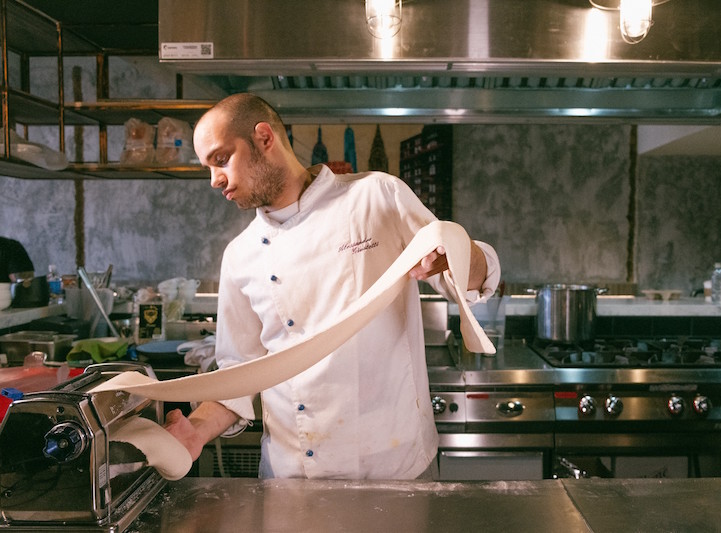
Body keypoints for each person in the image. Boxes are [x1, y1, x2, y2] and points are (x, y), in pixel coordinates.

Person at [164, 94, 500, 479]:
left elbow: (469, 280)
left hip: (394, 468)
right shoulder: (240, 255)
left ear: (264, 138)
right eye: (207, 167)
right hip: (292, 477)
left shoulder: (376, 196)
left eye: (221, 159)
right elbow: (239, 371)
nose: (214, 180)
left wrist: (457, 251)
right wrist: (196, 431)